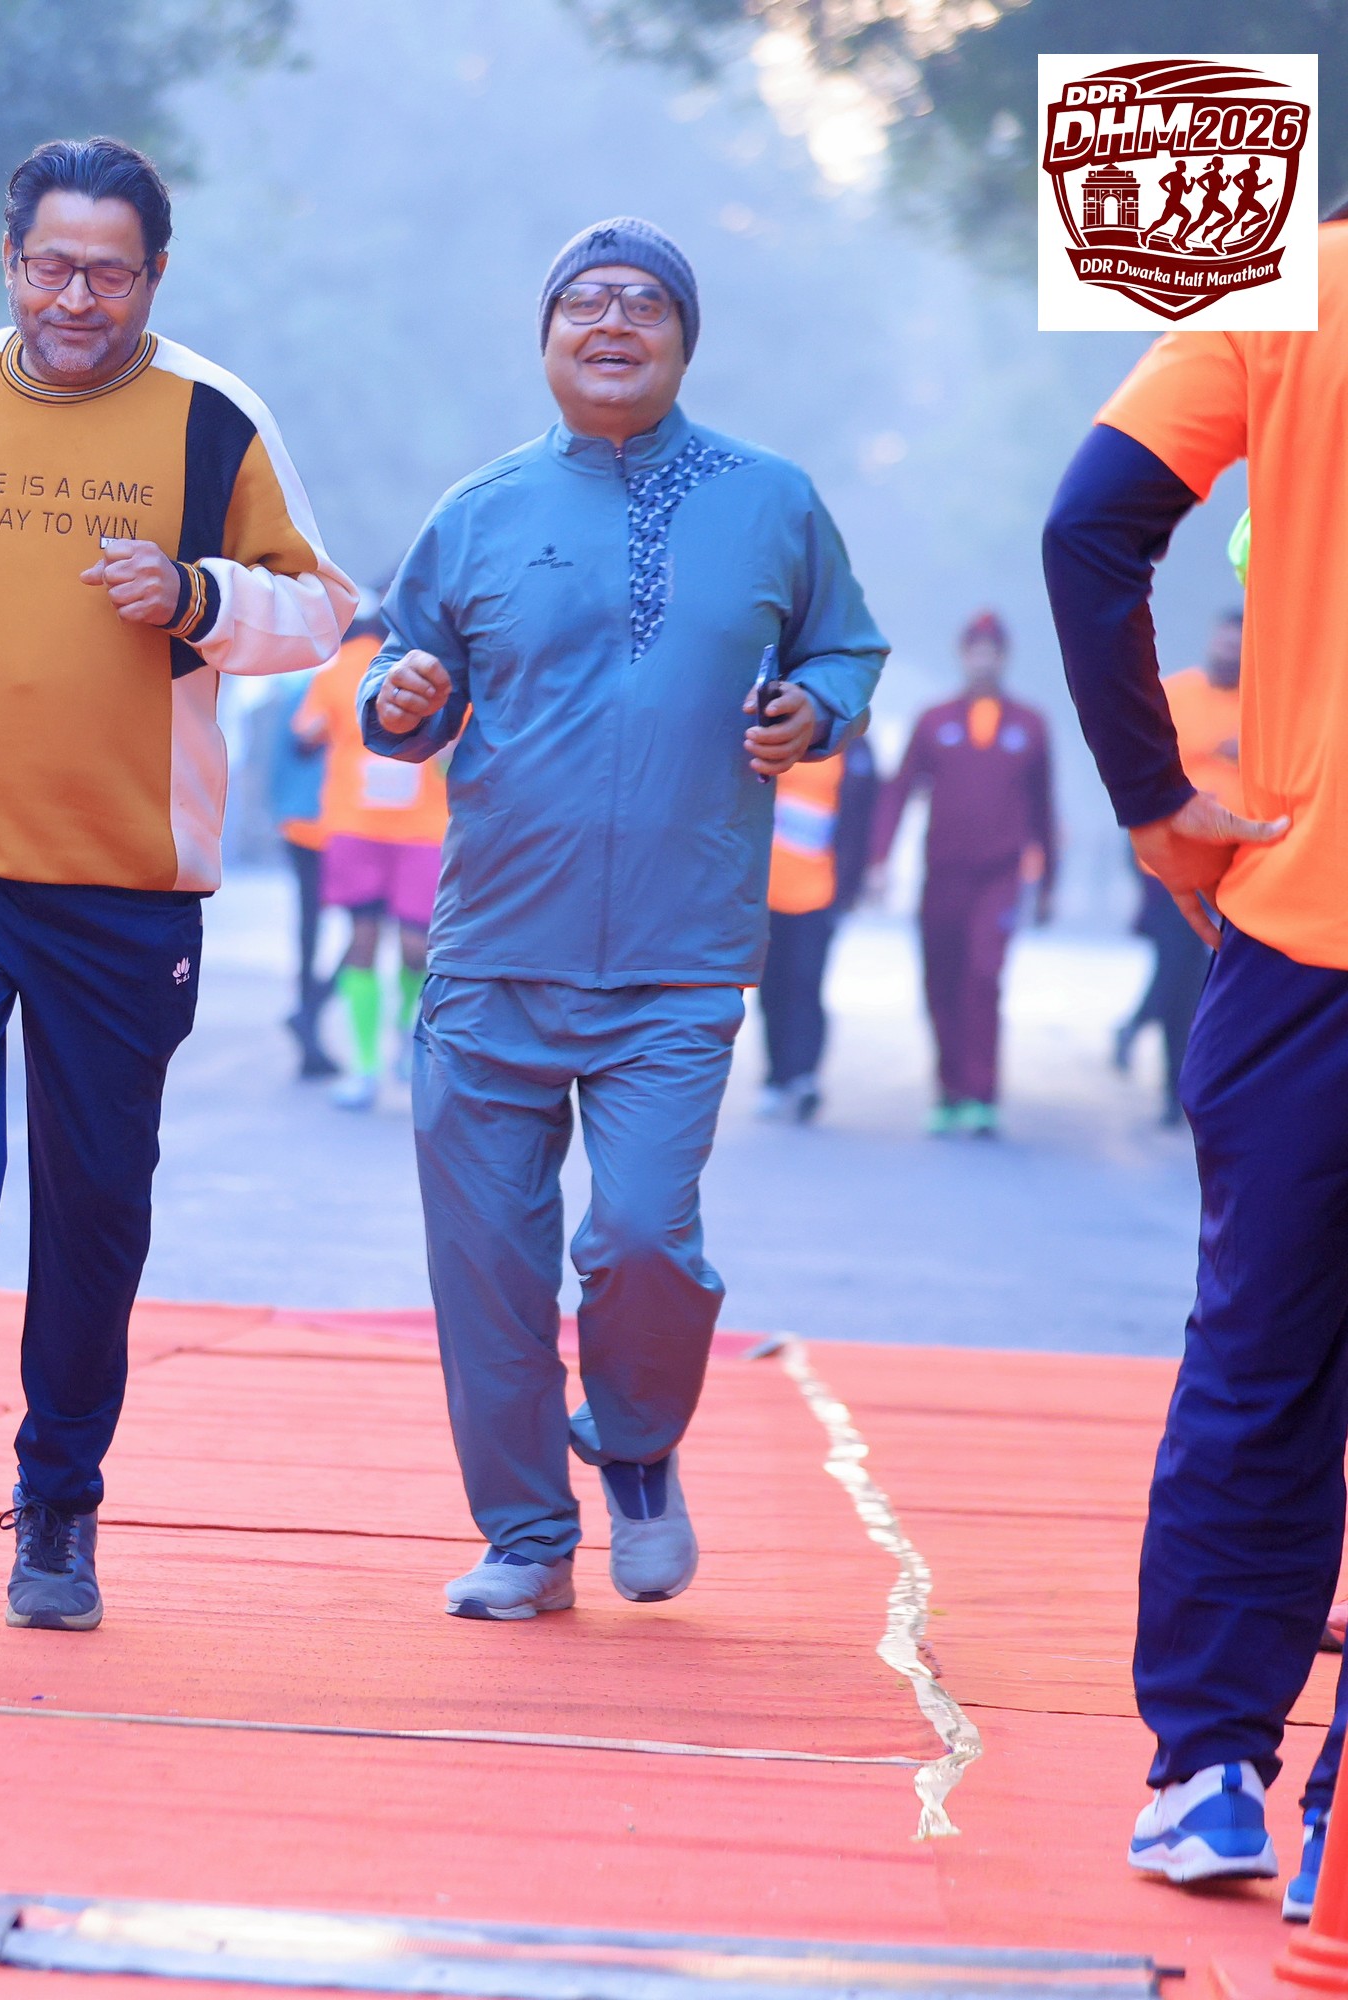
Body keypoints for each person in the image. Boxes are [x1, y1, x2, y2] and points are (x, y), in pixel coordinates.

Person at [0, 137, 356, 1638]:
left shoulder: (213, 419)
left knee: (94, 1199)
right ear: (9, 262)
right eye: (51, 266)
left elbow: (319, 606)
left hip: (124, 883)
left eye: (109, 272)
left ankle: (58, 1499)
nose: (75, 298)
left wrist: (199, 594)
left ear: (155, 277)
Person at [362, 217, 885, 1622]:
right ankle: (528, 1537)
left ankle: (638, 1446)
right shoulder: (478, 509)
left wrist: (817, 704)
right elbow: (399, 676)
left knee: (644, 1234)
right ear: (544, 338)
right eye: (583, 301)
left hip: (681, 952)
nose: (612, 322)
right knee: (487, 1265)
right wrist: (399, 698)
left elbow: (846, 643)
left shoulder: (770, 500)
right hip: (493, 949)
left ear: (684, 339)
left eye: (644, 303)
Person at [1041, 197, 1341, 1901]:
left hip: (1310, 934)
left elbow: (1090, 525)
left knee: (1263, 1358)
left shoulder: (1286, 287)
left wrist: (1154, 796)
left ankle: (1214, 1771)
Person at [867, 611, 1059, 1138]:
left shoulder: (1029, 725)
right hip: (943, 875)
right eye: (975, 651)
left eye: (991, 652)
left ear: (1004, 657)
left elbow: (1044, 808)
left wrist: (1048, 883)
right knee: (942, 978)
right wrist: (880, 860)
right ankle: (949, 1091)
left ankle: (980, 1095)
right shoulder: (934, 721)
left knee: (983, 974)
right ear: (962, 655)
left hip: (999, 878)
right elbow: (898, 792)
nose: (983, 661)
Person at [294, 615, 442, 1111]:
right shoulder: (344, 670)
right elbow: (307, 734)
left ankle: (402, 1033)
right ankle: (365, 1065)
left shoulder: (440, 668)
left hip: (420, 829)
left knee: (414, 947)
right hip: (358, 825)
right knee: (369, 939)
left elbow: (304, 739)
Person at [1113, 603, 1239, 1125]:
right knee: (1178, 971)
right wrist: (1215, 750)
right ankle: (1174, 1090)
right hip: (1172, 863)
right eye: (1224, 640)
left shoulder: (1266, 704)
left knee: (1215, 980)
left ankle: (1205, 1081)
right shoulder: (1177, 695)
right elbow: (1144, 763)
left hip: (1241, 869)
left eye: (1240, 643)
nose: (1229, 650)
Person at [753, 732, 879, 1123]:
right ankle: (776, 1076)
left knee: (806, 981)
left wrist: (856, 881)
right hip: (767, 888)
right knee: (772, 985)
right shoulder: (771, 731)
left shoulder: (853, 744)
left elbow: (867, 818)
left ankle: (804, 1075)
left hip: (820, 891)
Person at [256, 624, 355, 1082]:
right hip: (330, 822)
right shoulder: (335, 685)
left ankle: (307, 1013)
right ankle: (310, 1012)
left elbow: (278, 759)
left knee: (310, 927)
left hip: (299, 821)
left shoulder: (301, 685)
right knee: (367, 924)